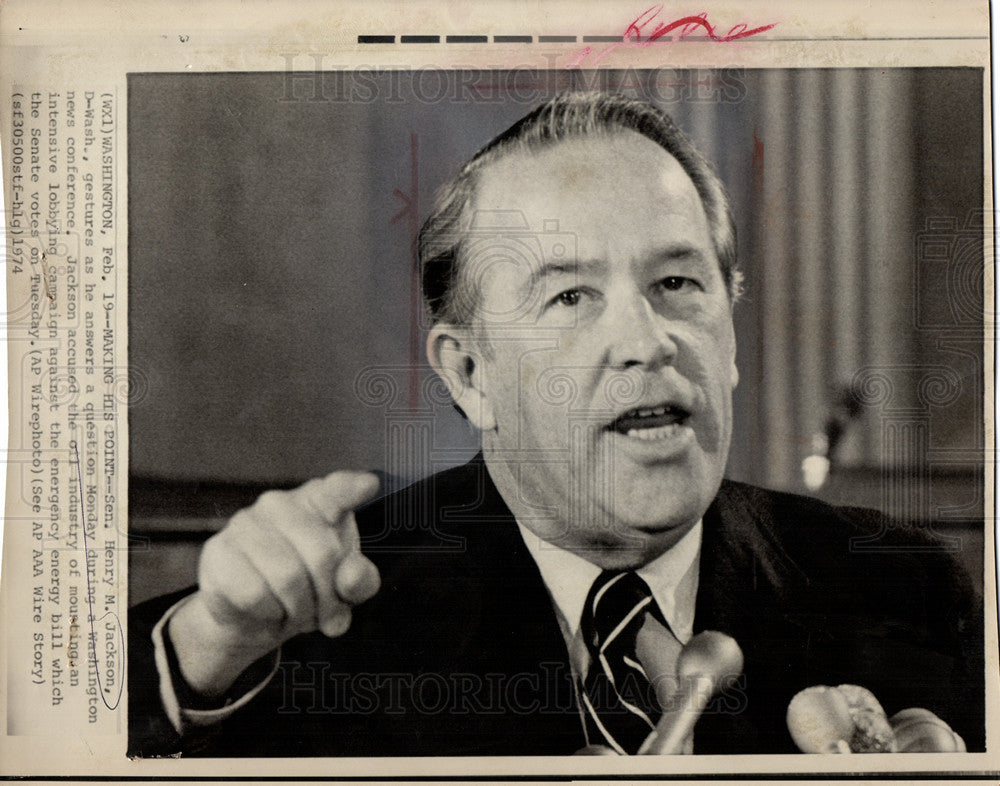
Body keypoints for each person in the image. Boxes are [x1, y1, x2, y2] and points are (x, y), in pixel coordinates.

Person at [129, 92, 984, 757]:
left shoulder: (902, 592)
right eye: (572, 297)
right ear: (470, 375)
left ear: (729, 333)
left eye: (678, 285)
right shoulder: (334, 617)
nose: (648, 342)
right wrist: (213, 645)